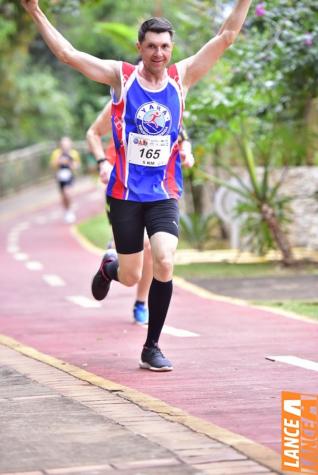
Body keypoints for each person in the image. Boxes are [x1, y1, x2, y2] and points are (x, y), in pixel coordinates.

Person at [21, 0, 252, 371]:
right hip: (125, 194)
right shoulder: (121, 77)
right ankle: (109, 268)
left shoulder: (183, 77)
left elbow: (226, 36)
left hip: (163, 193)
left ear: (171, 48)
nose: (158, 53)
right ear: (139, 48)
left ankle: (151, 347)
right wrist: (34, 10)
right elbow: (67, 54)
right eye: (151, 46)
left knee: (163, 259)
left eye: (165, 46)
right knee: (130, 276)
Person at [86, 100, 195, 325]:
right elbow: (93, 133)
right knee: (130, 272)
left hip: (157, 189)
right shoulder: (122, 98)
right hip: (122, 187)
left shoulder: (167, 101)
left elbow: (182, 137)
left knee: (150, 248)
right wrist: (103, 163)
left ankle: (140, 302)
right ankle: (110, 267)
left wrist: (187, 153)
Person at [50, 136, 81, 223]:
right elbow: (53, 164)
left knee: (68, 193)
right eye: (63, 144)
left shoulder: (74, 153)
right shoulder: (56, 153)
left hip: (70, 175)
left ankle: (70, 210)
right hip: (60, 176)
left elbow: (77, 165)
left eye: (67, 143)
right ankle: (67, 211)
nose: (65, 145)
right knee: (63, 196)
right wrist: (59, 160)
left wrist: (71, 164)